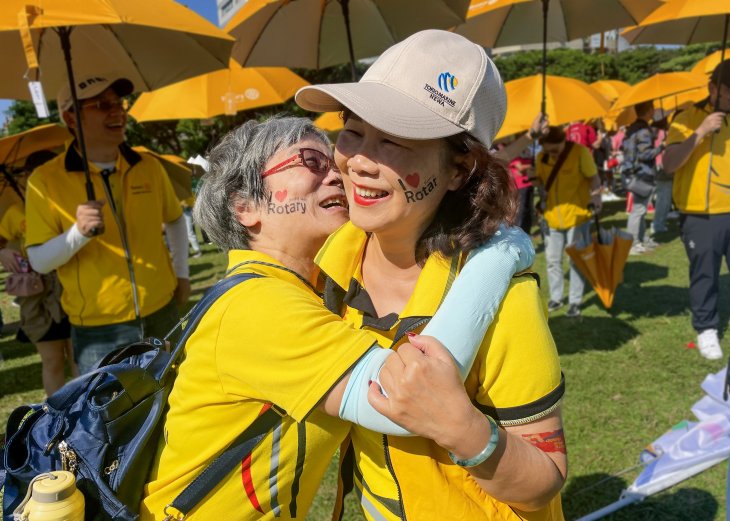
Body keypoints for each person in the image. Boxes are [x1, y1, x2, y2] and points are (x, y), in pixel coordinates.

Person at [140, 115, 535, 520]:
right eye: (311, 162)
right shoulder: (258, 305)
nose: (338, 175)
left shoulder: (309, 293)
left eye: (333, 161)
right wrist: (497, 257)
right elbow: (405, 396)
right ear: (246, 207)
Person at [296, 29, 566, 520]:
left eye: (393, 141)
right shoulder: (324, 264)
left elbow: (542, 483)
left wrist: (460, 427)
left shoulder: (505, 300)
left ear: (459, 170)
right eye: (352, 131)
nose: (359, 162)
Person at [25, 74, 190, 374]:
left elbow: (176, 219)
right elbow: (39, 261)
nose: (117, 112)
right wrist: (78, 234)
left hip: (162, 311)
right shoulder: (45, 181)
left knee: (174, 396)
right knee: (109, 406)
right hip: (99, 330)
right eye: (102, 105)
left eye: (119, 103)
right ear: (71, 118)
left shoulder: (148, 165)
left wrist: (182, 274)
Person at [663, 60, 730, 361]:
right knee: (705, 273)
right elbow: (669, 164)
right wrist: (700, 132)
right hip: (700, 214)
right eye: (728, 92)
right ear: (713, 88)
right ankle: (706, 328)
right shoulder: (686, 117)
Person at [0, 150, 77, 395]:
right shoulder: (15, 212)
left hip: (73, 286)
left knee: (78, 356)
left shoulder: (71, 205)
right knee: (52, 360)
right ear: (26, 177)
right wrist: (3, 252)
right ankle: (57, 413)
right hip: (37, 295)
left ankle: (83, 411)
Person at [533, 125, 602, 318]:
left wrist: (596, 197)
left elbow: (594, 179)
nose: (551, 154)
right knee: (552, 261)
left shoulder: (580, 153)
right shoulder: (541, 157)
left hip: (578, 217)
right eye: (548, 151)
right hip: (551, 217)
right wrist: (534, 179)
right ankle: (556, 297)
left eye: (555, 150)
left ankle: (575, 301)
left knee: (575, 261)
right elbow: (541, 183)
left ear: (564, 141)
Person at [621, 100, 663, 255]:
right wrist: (661, 147)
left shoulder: (632, 128)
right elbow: (645, 154)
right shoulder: (643, 130)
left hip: (633, 172)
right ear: (648, 110)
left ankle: (642, 238)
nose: (654, 111)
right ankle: (632, 243)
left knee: (641, 208)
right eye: (652, 108)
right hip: (642, 173)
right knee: (638, 210)